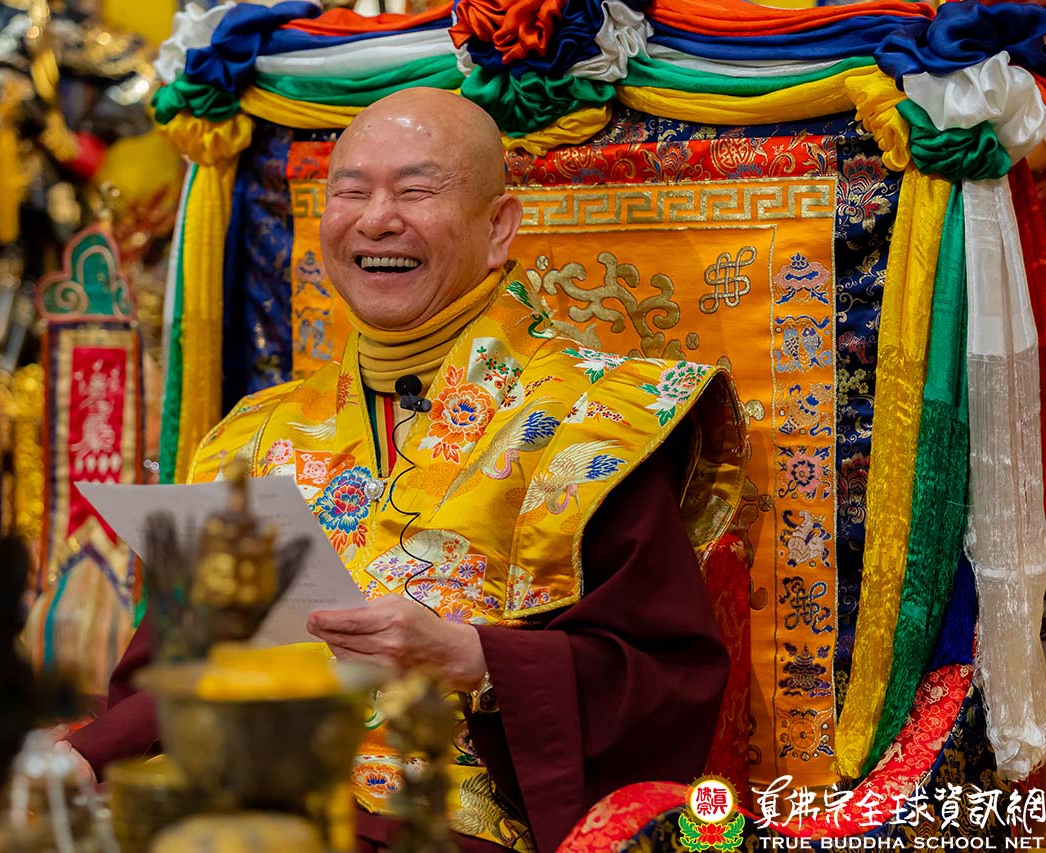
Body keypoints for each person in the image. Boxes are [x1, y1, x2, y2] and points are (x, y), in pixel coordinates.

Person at [63, 88, 745, 852]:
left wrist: (474, 658)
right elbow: (180, 659)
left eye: (415, 190)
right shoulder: (257, 433)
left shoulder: (595, 420)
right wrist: (86, 755)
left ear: (499, 227)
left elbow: (665, 681)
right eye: (350, 191)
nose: (376, 219)